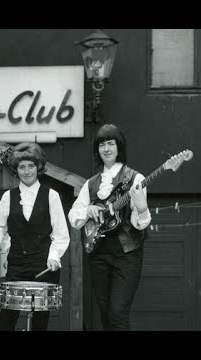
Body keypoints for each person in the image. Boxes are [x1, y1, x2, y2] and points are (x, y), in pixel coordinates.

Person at [68, 123, 151, 331]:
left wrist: (141, 208)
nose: (106, 149)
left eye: (111, 144)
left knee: (117, 312)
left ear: (119, 147)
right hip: (99, 254)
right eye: (102, 144)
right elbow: (74, 217)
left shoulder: (136, 179)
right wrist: (88, 210)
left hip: (127, 254)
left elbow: (139, 224)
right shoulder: (91, 183)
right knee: (105, 313)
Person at [0, 142, 70, 331]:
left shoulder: (52, 196)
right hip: (16, 264)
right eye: (22, 167)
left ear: (38, 167)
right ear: (16, 170)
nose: (27, 171)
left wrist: (54, 257)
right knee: (6, 321)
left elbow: (60, 234)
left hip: (44, 265)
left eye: (31, 166)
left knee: (40, 323)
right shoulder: (8, 196)